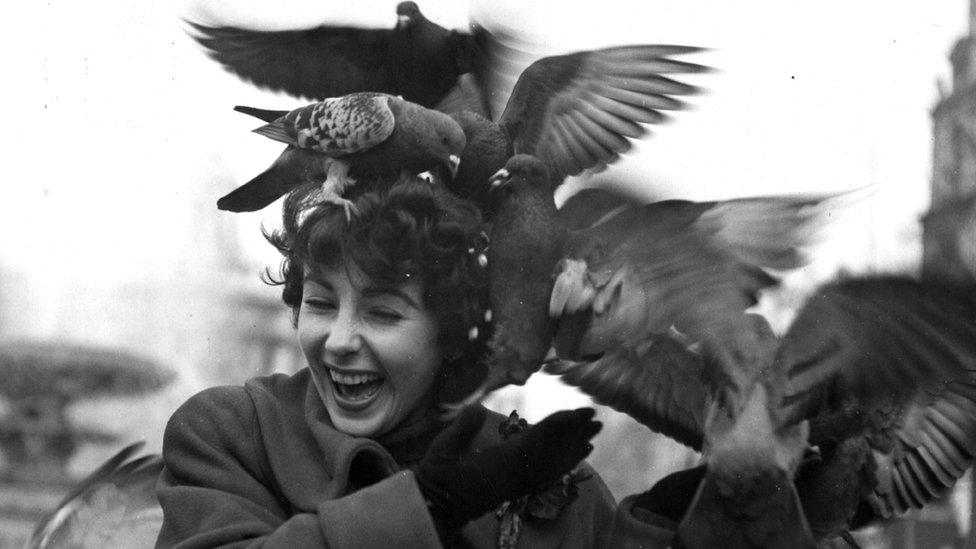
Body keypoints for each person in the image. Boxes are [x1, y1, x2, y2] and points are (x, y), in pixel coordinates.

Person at [155, 177, 684, 548]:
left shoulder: (549, 478)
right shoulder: (232, 434)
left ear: (452, 334)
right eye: (318, 303)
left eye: (383, 312)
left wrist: (654, 529)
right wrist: (432, 507)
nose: (338, 340)